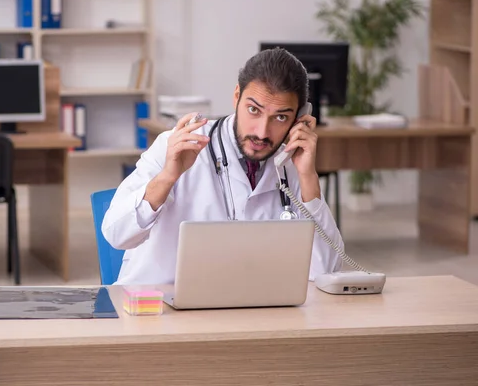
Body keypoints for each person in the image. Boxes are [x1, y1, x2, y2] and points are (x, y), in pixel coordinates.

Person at [101, 47, 344, 285]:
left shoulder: (290, 161)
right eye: (253, 110)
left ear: (299, 117)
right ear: (236, 96)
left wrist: (308, 176)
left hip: (243, 309)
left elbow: (323, 270)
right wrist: (168, 177)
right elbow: (116, 234)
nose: (262, 132)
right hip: (156, 308)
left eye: (280, 117)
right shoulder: (177, 145)